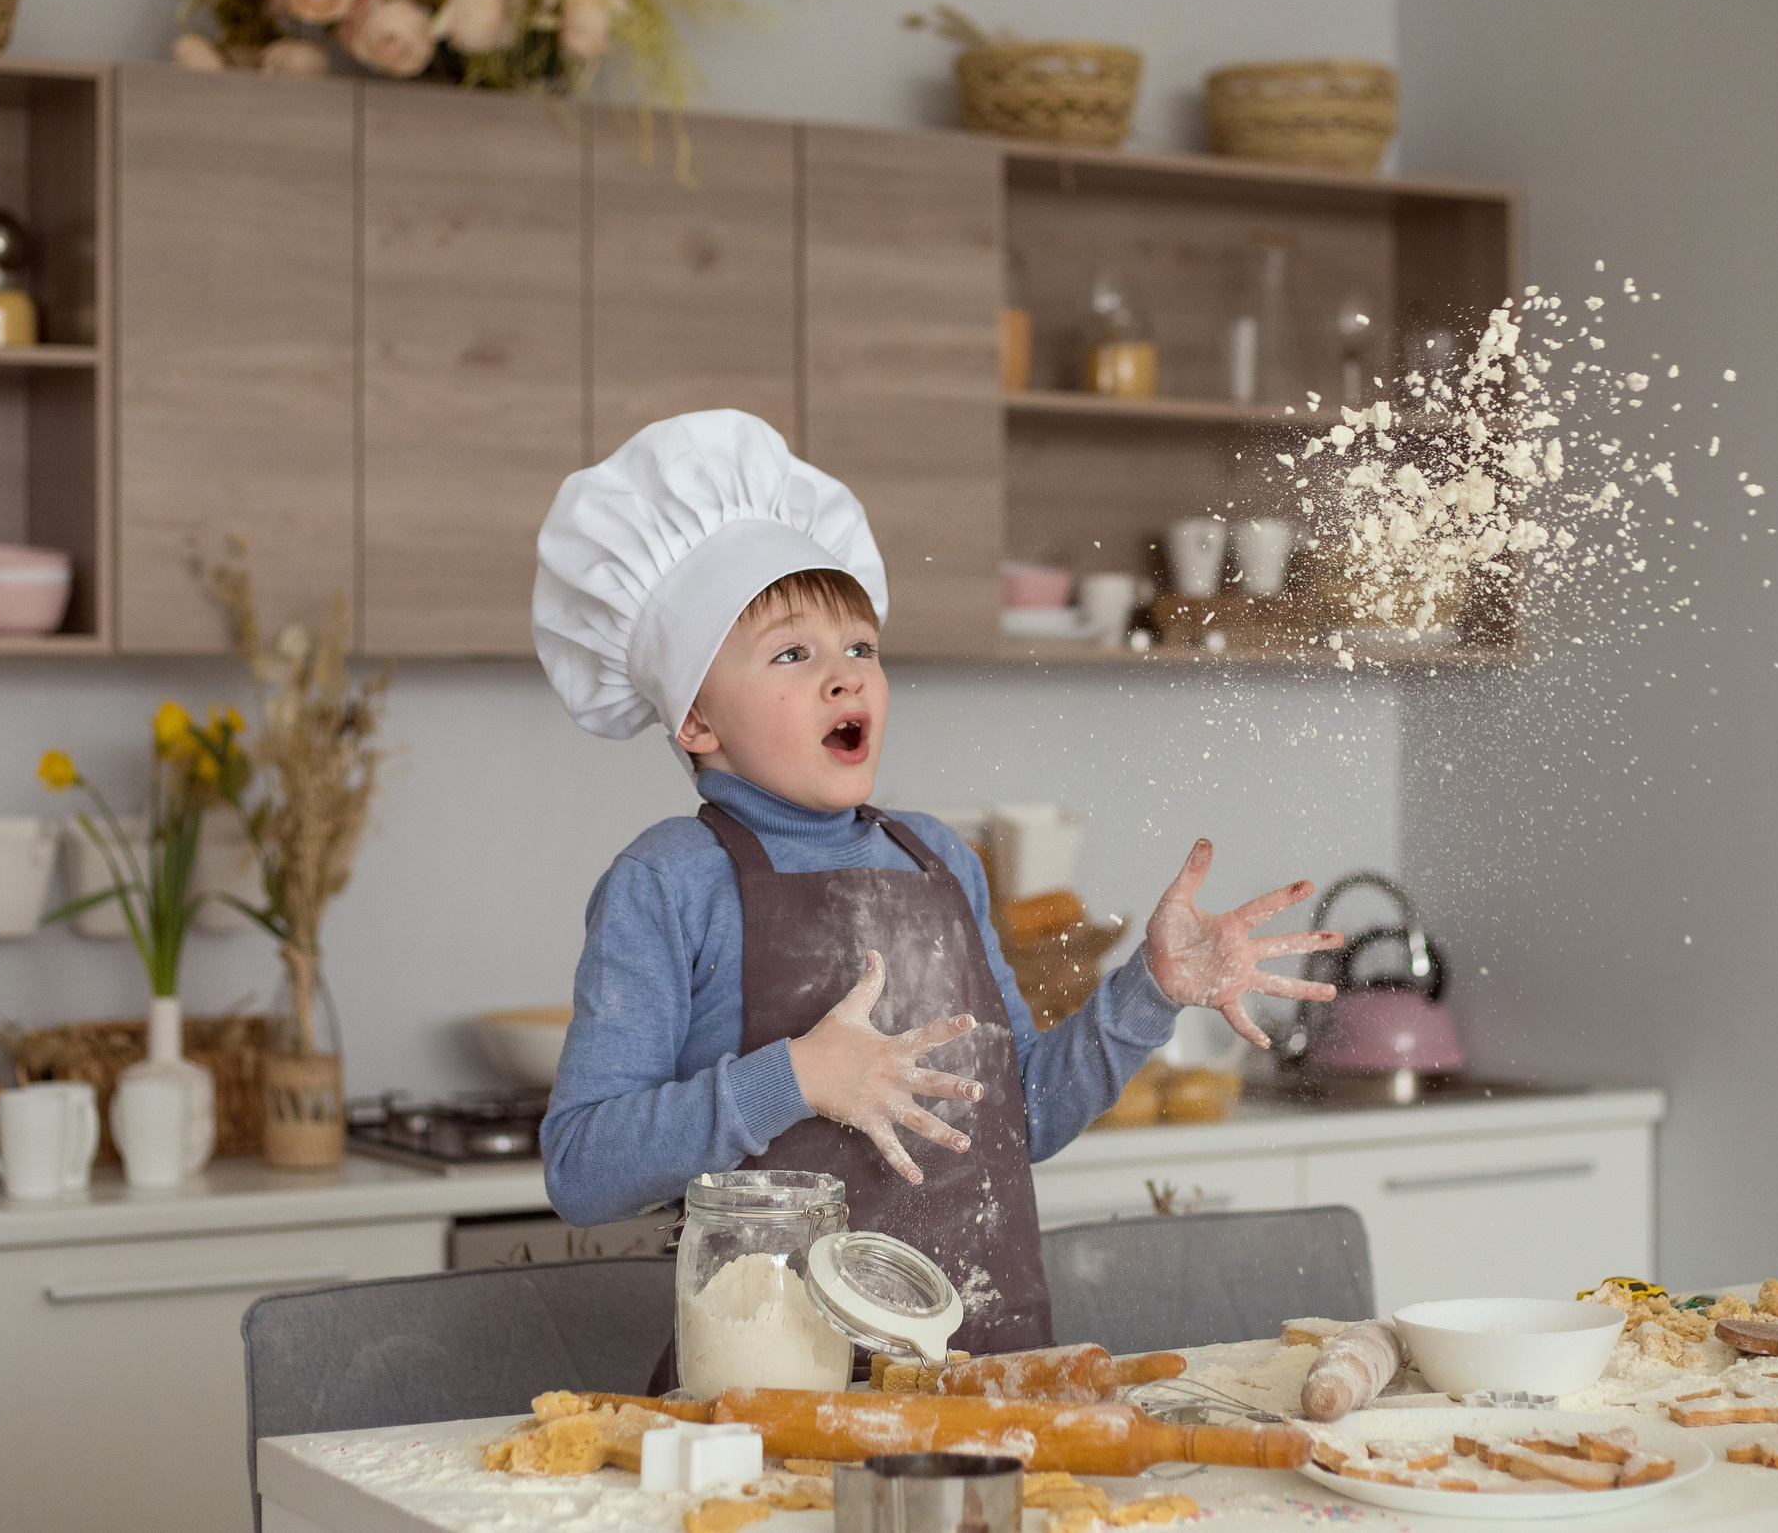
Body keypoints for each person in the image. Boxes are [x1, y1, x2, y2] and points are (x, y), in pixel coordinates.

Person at [532, 410, 1339, 1354]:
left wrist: (1148, 993)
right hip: (772, 1395)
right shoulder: (670, 881)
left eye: (861, 648)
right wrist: (794, 1077)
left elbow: (1019, 1116)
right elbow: (582, 1168)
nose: (845, 677)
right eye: (793, 653)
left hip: (978, 1375)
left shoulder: (937, 856)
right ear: (697, 721)